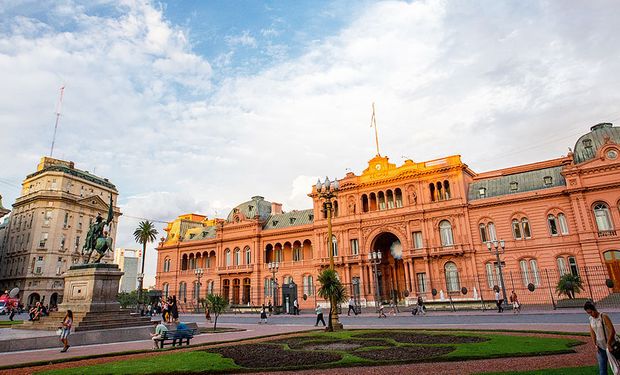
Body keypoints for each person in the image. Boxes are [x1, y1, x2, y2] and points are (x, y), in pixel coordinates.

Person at [585, 301, 620, 375]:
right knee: (602, 370)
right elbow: (592, 333)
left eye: (591, 312)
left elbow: (612, 330)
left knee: (617, 367)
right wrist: (595, 344)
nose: (591, 314)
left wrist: (608, 343)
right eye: (588, 313)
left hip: (612, 346)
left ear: (594, 309)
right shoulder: (591, 319)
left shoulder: (603, 316)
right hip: (600, 347)